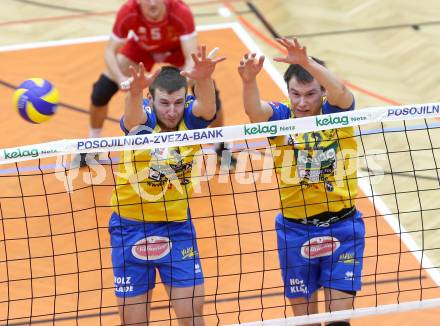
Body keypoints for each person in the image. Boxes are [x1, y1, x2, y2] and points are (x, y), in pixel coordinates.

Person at [238, 38, 365, 326]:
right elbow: (255, 112)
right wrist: (248, 82)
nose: (302, 102)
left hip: (343, 227)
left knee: (338, 322)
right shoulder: (282, 116)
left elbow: (342, 91)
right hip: (295, 231)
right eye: (295, 94)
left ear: (322, 92)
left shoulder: (335, 114)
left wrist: (307, 62)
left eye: (310, 94)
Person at [109, 45, 224, 325]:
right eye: (164, 103)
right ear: (152, 99)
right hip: (129, 227)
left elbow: (207, 108)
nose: (171, 111)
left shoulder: (189, 119)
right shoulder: (145, 118)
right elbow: (132, 118)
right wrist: (135, 92)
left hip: (176, 227)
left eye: (177, 103)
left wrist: (205, 78)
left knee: (192, 314)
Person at [79, 0, 234, 168]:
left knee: (210, 96)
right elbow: (110, 51)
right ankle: (92, 144)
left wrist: (186, 82)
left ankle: (220, 145)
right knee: (101, 91)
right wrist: (119, 79)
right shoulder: (128, 11)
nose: (152, 4)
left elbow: (190, 57)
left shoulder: (180, 12)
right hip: (142, 50)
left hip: (177, 52)